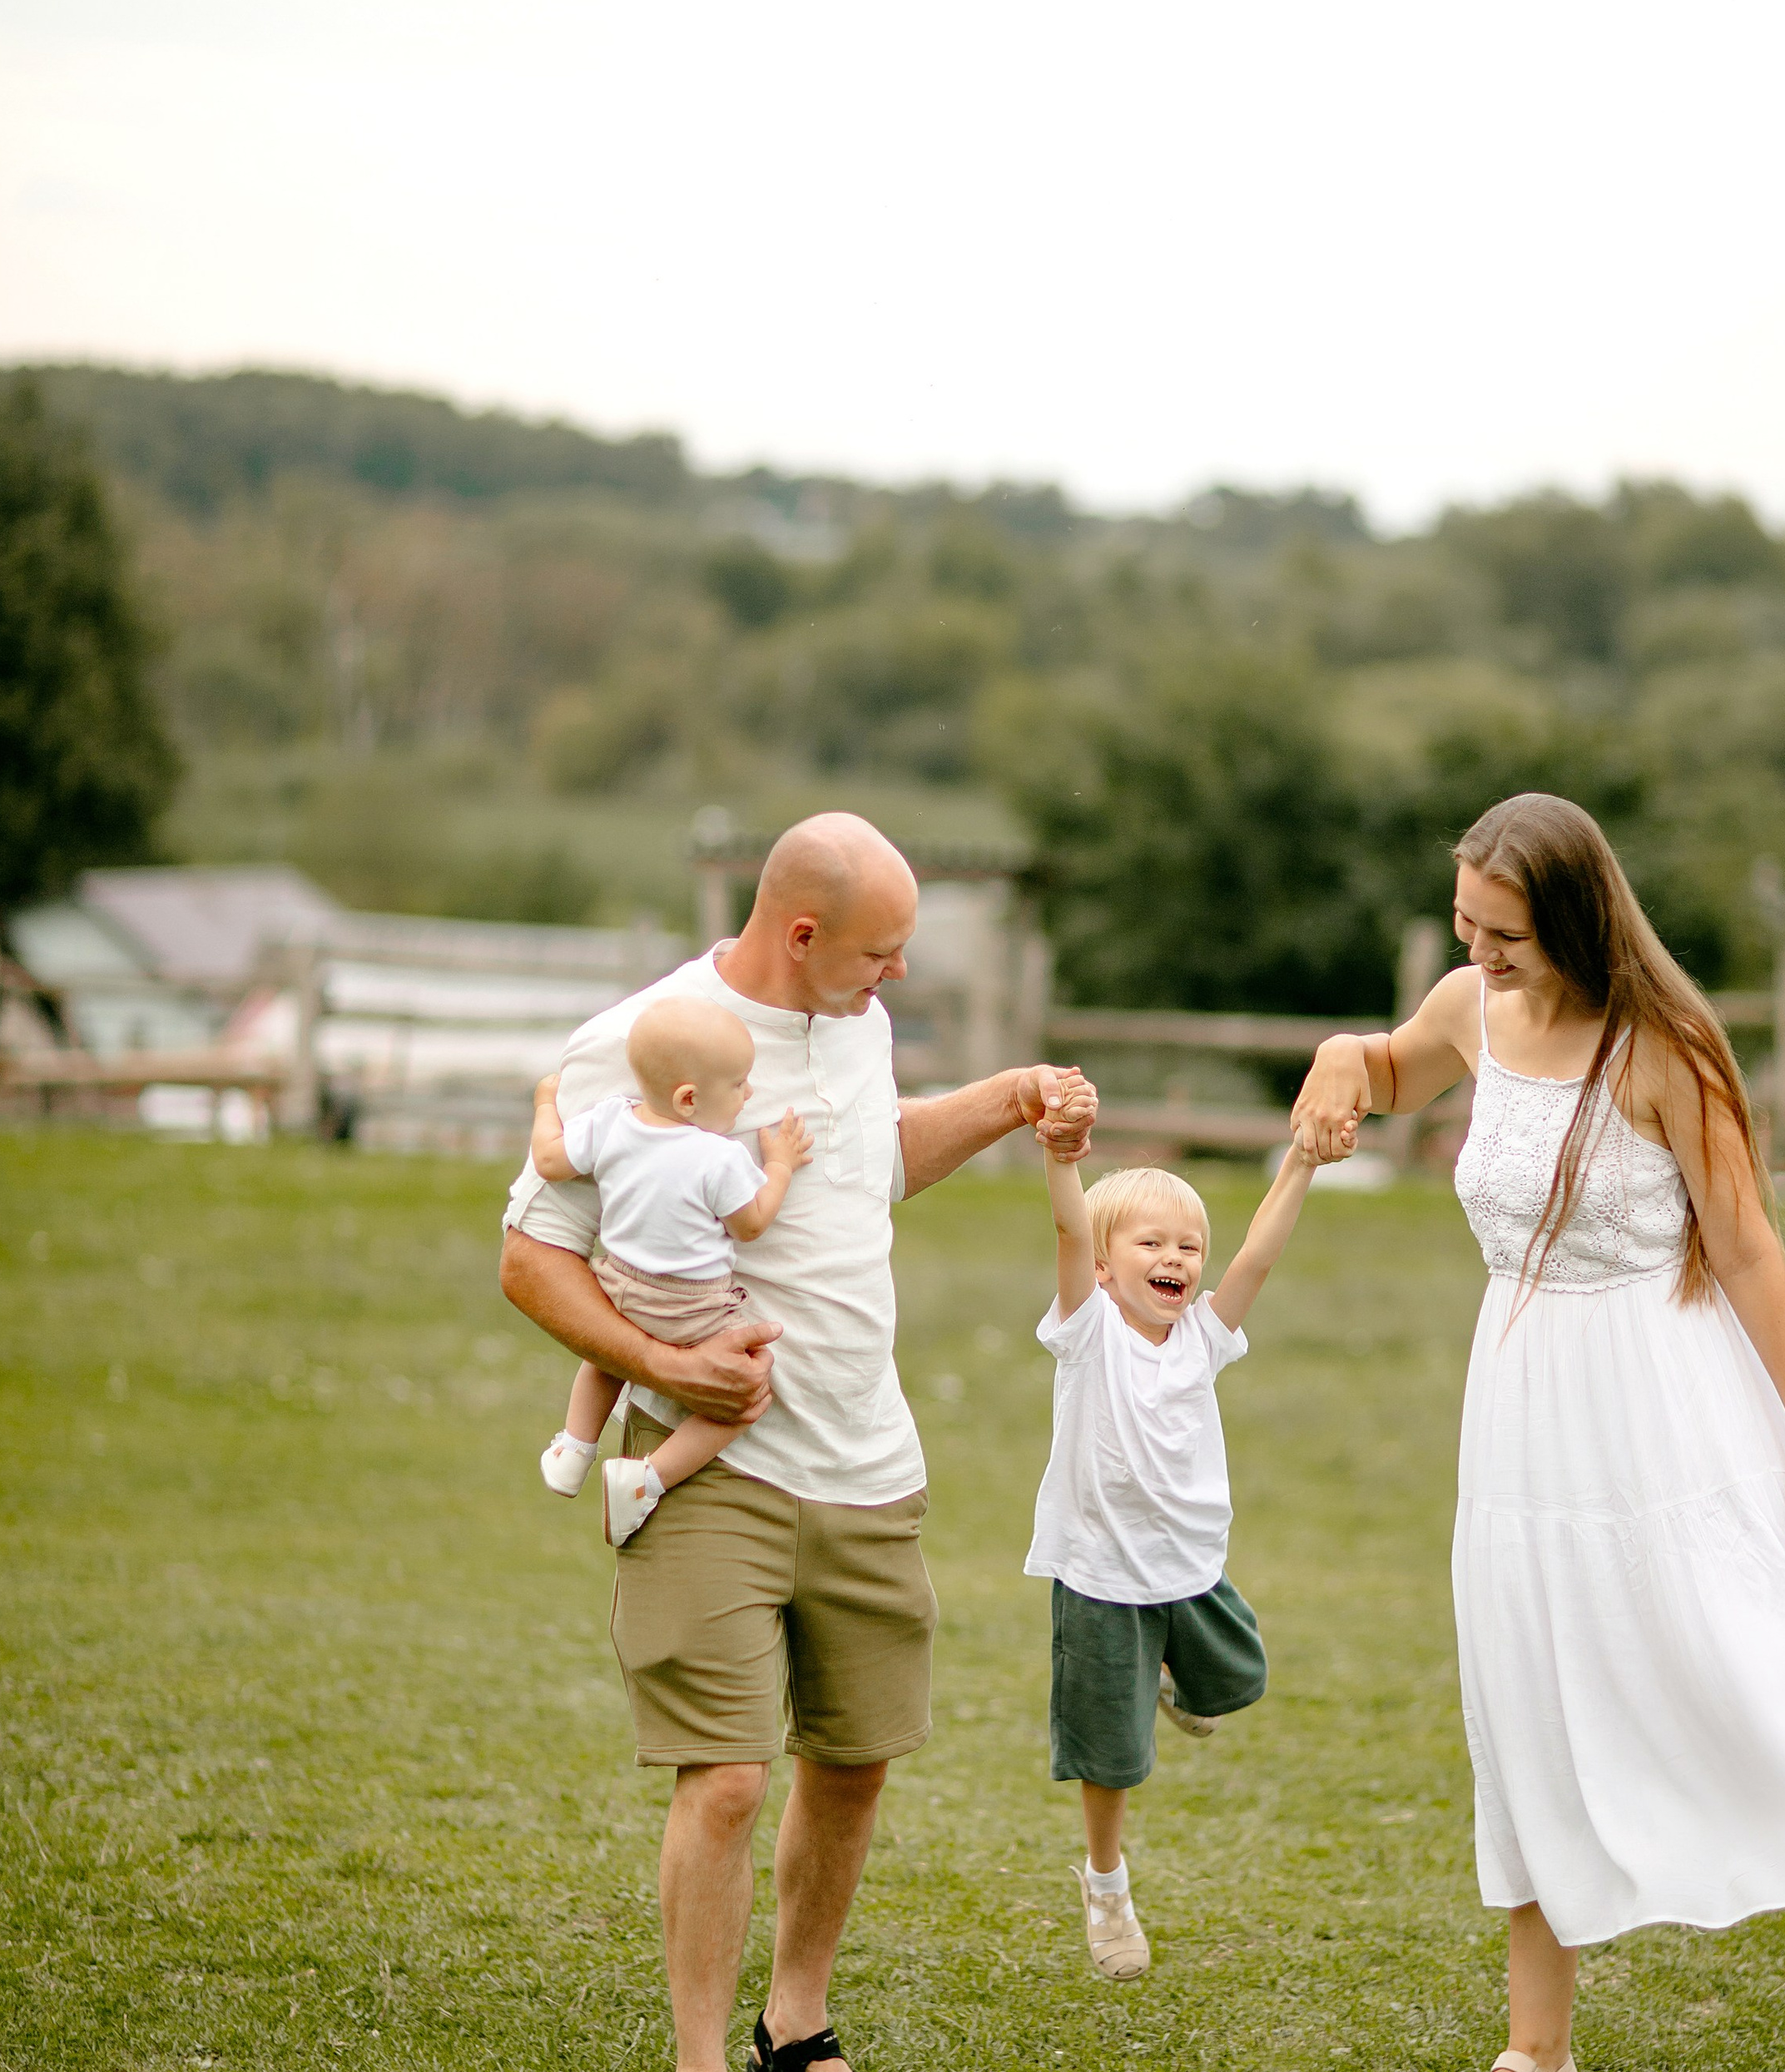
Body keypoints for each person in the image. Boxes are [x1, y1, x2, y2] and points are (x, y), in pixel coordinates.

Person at [1293, 792, 1785, 2072]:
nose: (1481, 953)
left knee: (1759, 1668)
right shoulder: (1470, 1011)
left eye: (1504, 934)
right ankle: (1535, 2048)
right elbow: (1390, 1070)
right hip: (1518, 1418)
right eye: (1465, 925)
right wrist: (1345, 1058)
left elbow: (1752, 1252)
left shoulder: (1663, 1045)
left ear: (1573, 920)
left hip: (1670, 1401)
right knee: (1531, 1694)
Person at [498, 811, 1097, 2072]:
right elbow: (531, 1257)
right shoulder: (644, 1042)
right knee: (724, 1778)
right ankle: (699, 2058)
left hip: (870, 1462)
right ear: (803, 932)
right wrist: (666, 1366)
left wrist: (1001, 1101)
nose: (900, 976)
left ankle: (796, 2021)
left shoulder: (859, 1027)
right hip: (718, 1464)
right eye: (882, 952)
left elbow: (867, 1169)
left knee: (854, 1763)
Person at [1029, 1144, 1319, 1981]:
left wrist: (1299, 1160)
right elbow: (1064, 1221)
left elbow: (1260, 1251)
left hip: (1193, 1566)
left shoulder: (1204, 1335)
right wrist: (1058, 1157)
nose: (1174, 1259)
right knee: (1112, 1756)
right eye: (1150, 1243)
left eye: (1188, 1245)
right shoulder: (1087, 1331)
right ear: (1104, 1264)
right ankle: (1107, 1885)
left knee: (1238, 1680)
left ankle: (1166, 1676)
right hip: (1100, 1576)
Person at [528, 994, 814, 1545]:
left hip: (618, 1290)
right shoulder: (719, 1156)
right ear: (689, 1099)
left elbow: (549, 1160)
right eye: (738, 1084)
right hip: (691, 1308)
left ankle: (573, 1447)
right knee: (748, 1388)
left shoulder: (611, 1122)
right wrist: (779, 1165)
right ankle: (648, 1479)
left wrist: (545, 1104)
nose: (748, 1093)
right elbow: (751, 1224)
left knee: (605, 1355)